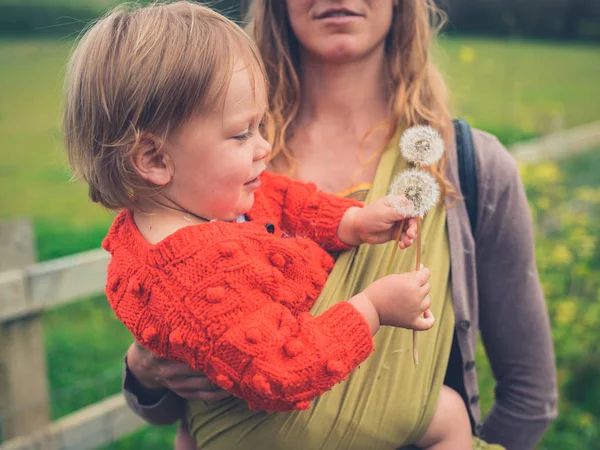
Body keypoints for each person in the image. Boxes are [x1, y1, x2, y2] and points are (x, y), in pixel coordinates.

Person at [121, 1, 558, 449]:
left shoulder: (468, 166)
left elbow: (530, 395)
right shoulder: (211, 156)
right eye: (243, 134)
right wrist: (144, 369)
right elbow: (174, 401)